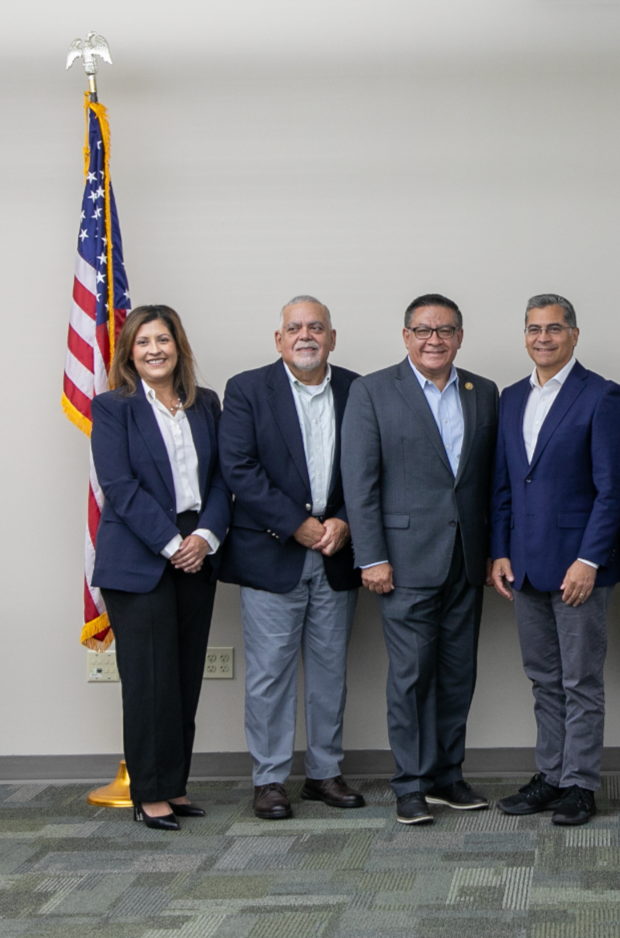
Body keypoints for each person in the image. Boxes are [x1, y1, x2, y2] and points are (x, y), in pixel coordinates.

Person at [341, 294, 499, 826]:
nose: (435, 339)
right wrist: (371, 557)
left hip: (465, 560)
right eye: (424, 330)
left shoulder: (483, 392)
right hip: (402, 562)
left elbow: (488, 484)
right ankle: (409, 783)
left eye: (446, 330)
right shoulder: (372, 391)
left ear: (459, 336)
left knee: (458, 673)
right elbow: (359, 484)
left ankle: (446, 776)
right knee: (410, 676)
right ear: (405, 336)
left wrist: (493, 551)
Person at [219, 295, 364, 821]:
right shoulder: (247, 389)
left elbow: (373, 466)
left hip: (336, 551)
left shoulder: (357, 389)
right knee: (268, 674)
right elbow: (238, 467)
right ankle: (270, 780)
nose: (306, 336)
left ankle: (324, 774)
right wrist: (296, 524)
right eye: (295, 328)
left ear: (331, 337)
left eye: (316, 327)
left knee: (330, 673)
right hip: (272, 552)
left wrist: (344, 518)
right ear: (278, 339)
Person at [489, 293, 620, 827]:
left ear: (574, 334)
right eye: (533, 329)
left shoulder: (602, 396)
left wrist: (589, 560)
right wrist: (499, 551)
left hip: (578, 568)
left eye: (553, 328)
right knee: (543, 679)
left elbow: (612, 490)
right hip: (523, 565)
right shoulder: (509, 398)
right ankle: (550, 775)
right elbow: (505, 485)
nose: (542, 338)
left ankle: (580, 784)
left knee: (580, 682)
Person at [91, 304, 230, 831]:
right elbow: (120, 487)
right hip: (140, 558)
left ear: (179, 347)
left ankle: (173, 786)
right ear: (129, 351)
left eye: (163, 340)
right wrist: (173, 543)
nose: (154, 349)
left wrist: (204, 537)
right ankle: (147, 794)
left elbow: (222, 478)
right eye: (143, 341)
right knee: (149, 682)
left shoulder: (206, 404)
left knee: (183, 678)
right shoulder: (112, 408)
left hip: (199, 549)